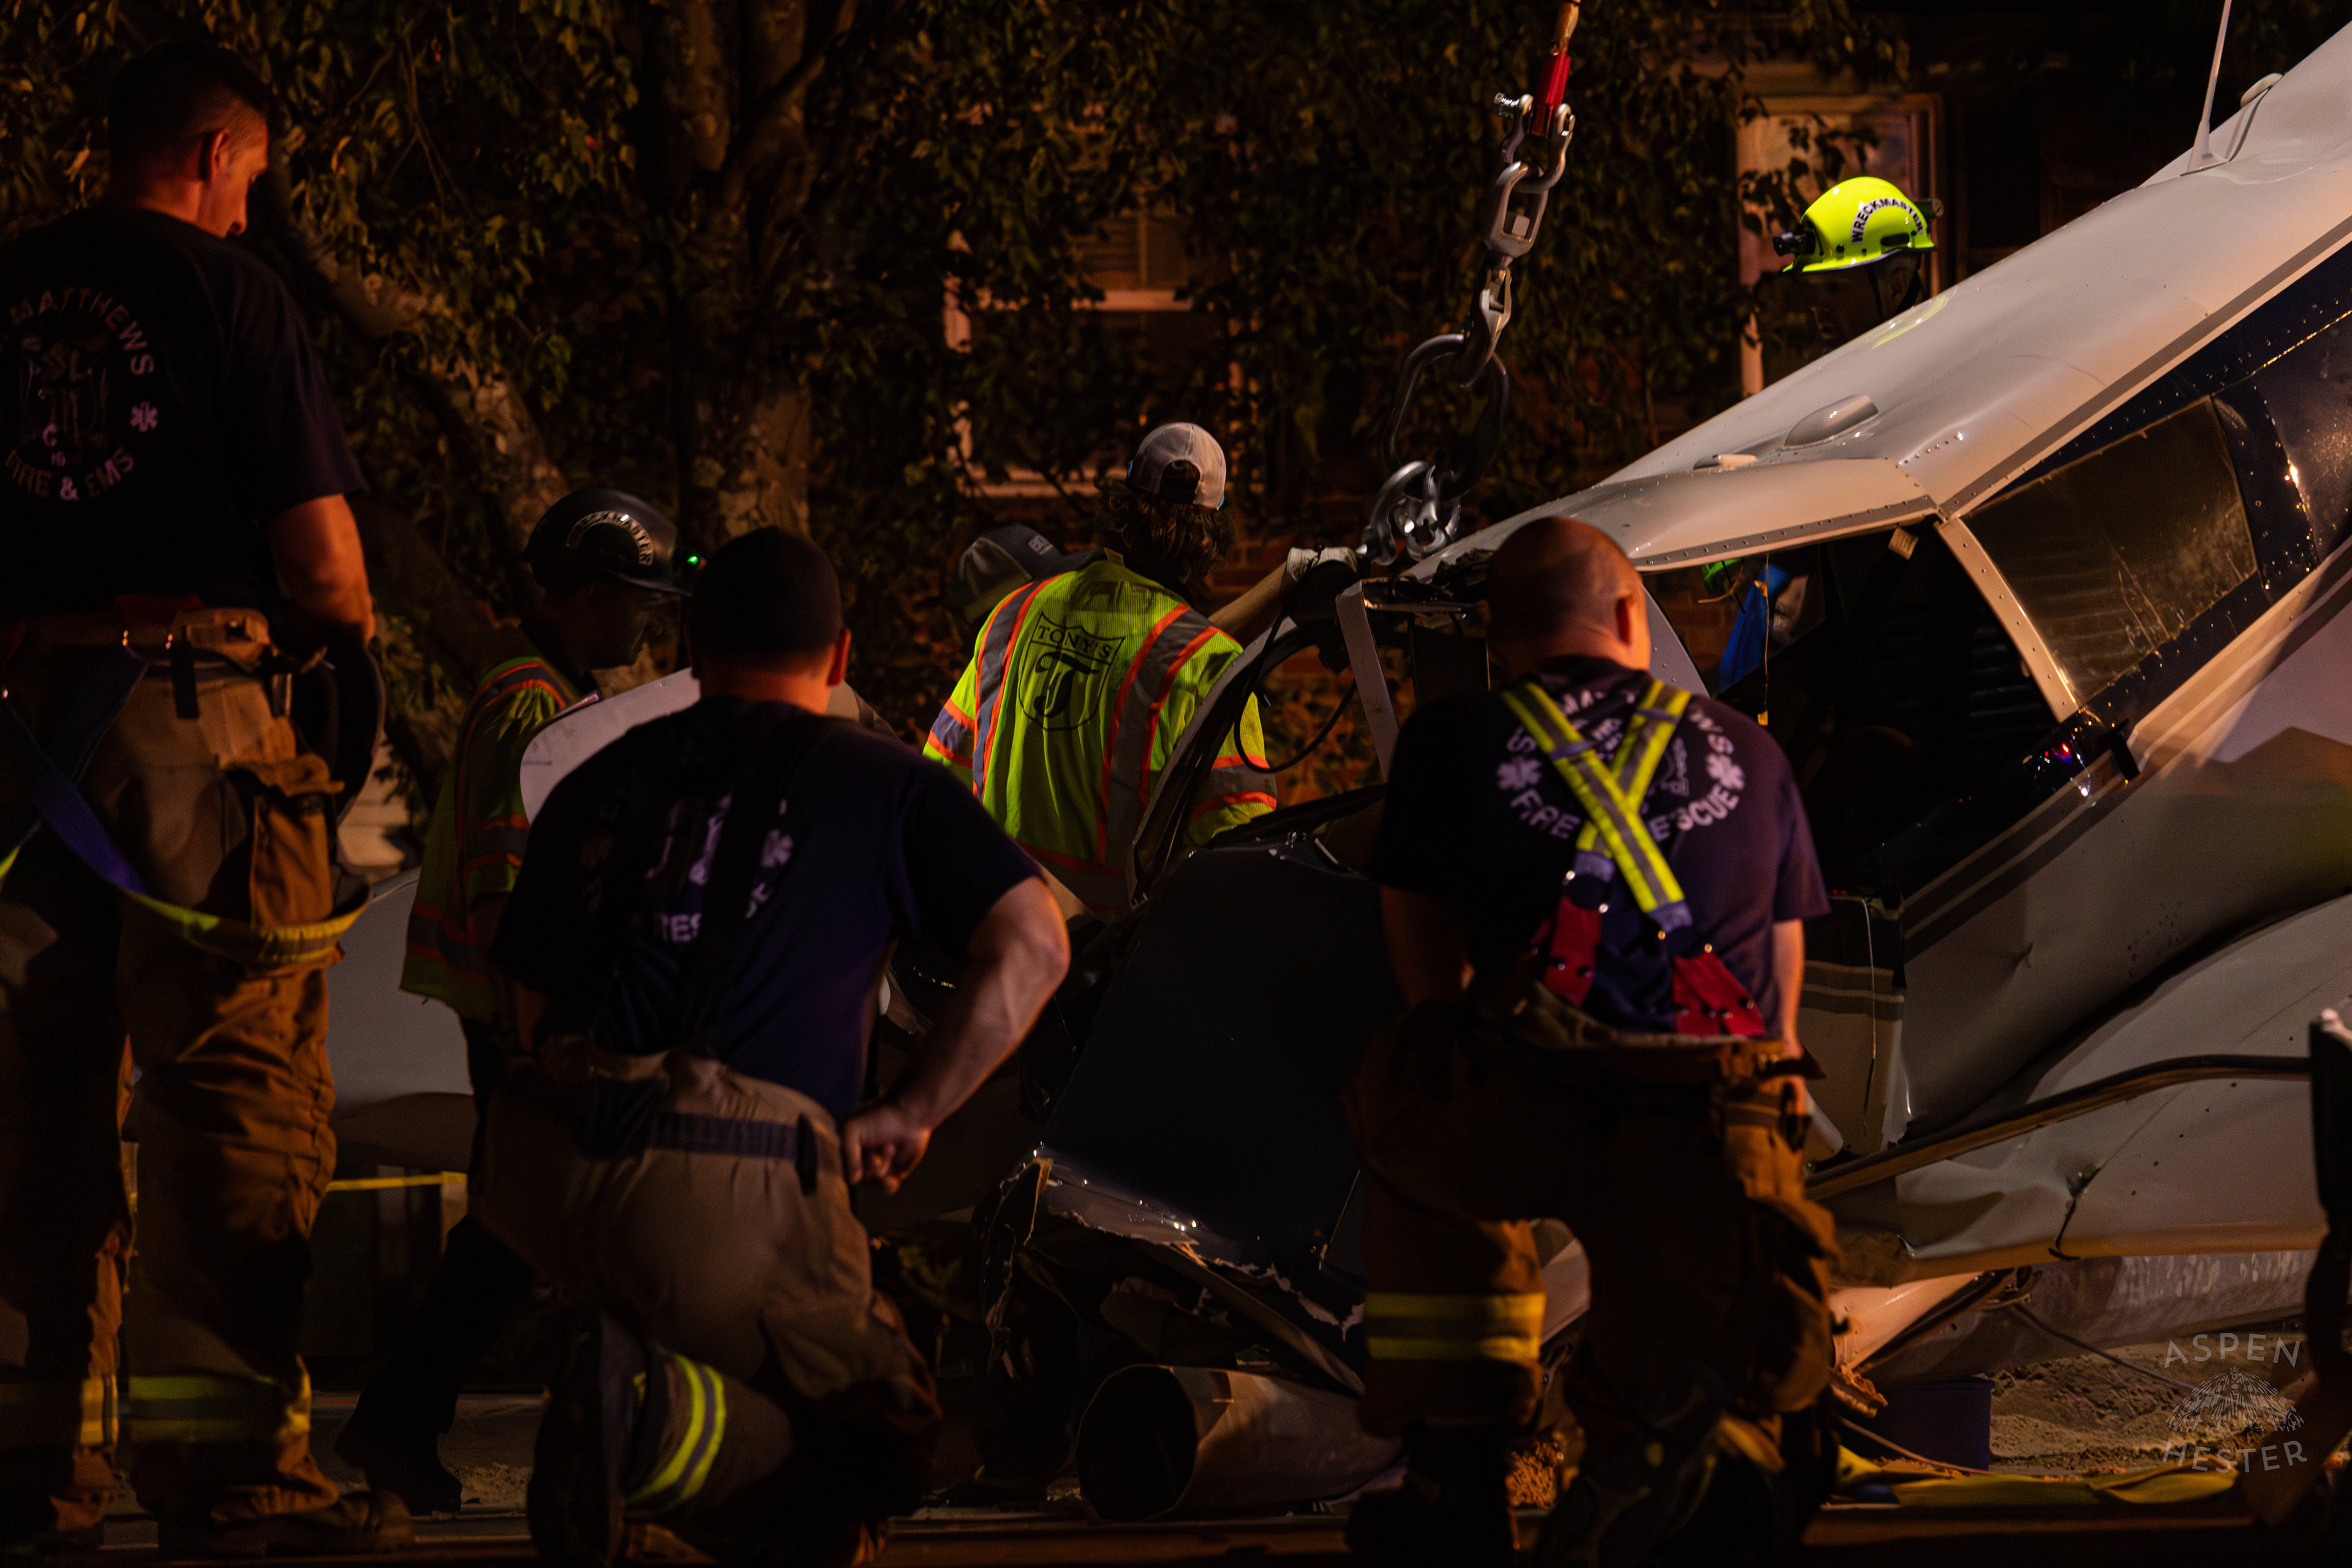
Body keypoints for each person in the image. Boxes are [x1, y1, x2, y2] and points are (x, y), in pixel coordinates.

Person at [472, 527, 1069, 1567]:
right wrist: (912, 1110)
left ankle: (657, 1474)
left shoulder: (598, 778)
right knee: (885, 1443)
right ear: (840, 657)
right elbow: (1034, 942)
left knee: (732, 1353)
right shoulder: (884, 785)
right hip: (741, 1185)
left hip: (546, 1177)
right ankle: (651, 1418)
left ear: (694, 644)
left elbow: (524, 1000)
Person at [0, 40, 410, 1556]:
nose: (253, 210)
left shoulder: (11, 287)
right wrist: (332, 659)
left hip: (21, 750)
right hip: (193, 734)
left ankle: (27, 1483)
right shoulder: (234, 298)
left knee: (27, 1126)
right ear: (217, 153)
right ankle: (231, 1479)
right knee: (229, 1108)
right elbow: (325, 571)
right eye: (257, 178)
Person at [1341, 518, 1838, 1566]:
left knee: (1405, 1091)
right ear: (1628, 617)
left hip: (1528, 1090)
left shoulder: (1452, 736)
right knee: (1694, 1366)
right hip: (1711, 1114)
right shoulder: (1749, 748)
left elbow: (1418, 935)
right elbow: (1780, 979)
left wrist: (1444, 1038)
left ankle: (1458, 1458)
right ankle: (1668, 1456)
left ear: (1494, 635)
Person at [336, 489, 689, 1515]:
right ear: (580, 596)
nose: (644, 622)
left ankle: (403, 1420)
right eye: (632, 599)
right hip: (514, 1015)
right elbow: (510, 879)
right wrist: (532, 1030)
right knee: (522, 1227)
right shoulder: (532, 705)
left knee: (516, 1227)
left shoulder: (539, 692)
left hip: (510, 1011)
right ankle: (408, 1422)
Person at [925, 423, 1344, 918]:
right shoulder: (1210, 665)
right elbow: (1241, 860)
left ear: (1123, 510)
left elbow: (936, 783)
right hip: (1106, 968)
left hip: (995, 938)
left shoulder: (1013, 615)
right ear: (1210, 543)